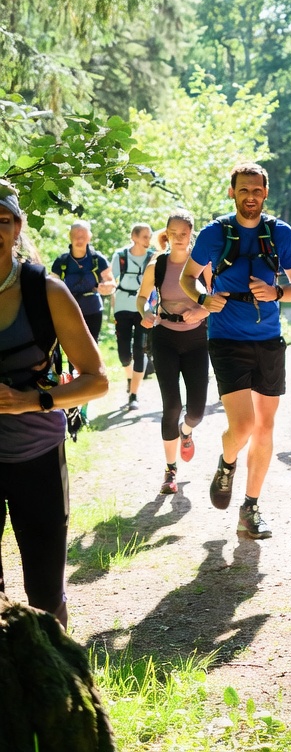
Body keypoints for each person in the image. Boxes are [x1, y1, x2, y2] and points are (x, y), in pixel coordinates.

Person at [0, 180, 108, 626]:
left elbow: (97, 380)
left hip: (36, 455)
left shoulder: (46, 291)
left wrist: (32, 400)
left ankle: (59, 687)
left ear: (17, 226)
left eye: (2, 221)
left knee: (44, 593)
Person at [180, 162, 291, 540]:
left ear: (265, 193)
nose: (250, 196)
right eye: (243, 190)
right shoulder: (214, 233)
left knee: (265, 427)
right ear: (232, 192)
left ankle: (250, 508)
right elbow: (188, 277)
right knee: (244, 426)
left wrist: (279, 292)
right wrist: (204, 297)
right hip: (226, 337)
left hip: (268, 338)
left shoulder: (280, 233)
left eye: (257, 190)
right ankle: (227, 461)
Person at [137, 211, 210, 496]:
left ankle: (187, 432)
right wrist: (144, 314)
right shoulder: (158, 264)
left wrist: (201, 310)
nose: (179, 238)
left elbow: (219, 299)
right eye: (174, 233)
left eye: (184, 233)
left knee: (197, 411)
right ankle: (170, 471)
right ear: (167, 234)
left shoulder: (203, 265)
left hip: (196, 340)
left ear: (191, 233)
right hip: (164, 337)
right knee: (171, 406)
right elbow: (142, 298)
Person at [110, 224, 154, 411]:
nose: (148, 240)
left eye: (149, 237)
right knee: (123, 354)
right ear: (134, 237)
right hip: (122, 307)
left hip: (143, 308)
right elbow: (111, 281)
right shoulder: (120, 256)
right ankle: (130, 378)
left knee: (140, 350)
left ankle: (134, 395)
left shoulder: (153, 257)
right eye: (144, 236)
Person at [51, 221, 115, 343]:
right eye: (76, 236)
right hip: (68, 311)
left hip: (93, 309)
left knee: (92, 345)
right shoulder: (62, 261)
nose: (79, 239)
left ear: (89, 237)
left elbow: (111, 282)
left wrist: (107, 287)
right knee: (72, 348)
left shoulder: (98, 259)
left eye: (83, 236)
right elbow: (52, 287)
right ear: (70, 237)